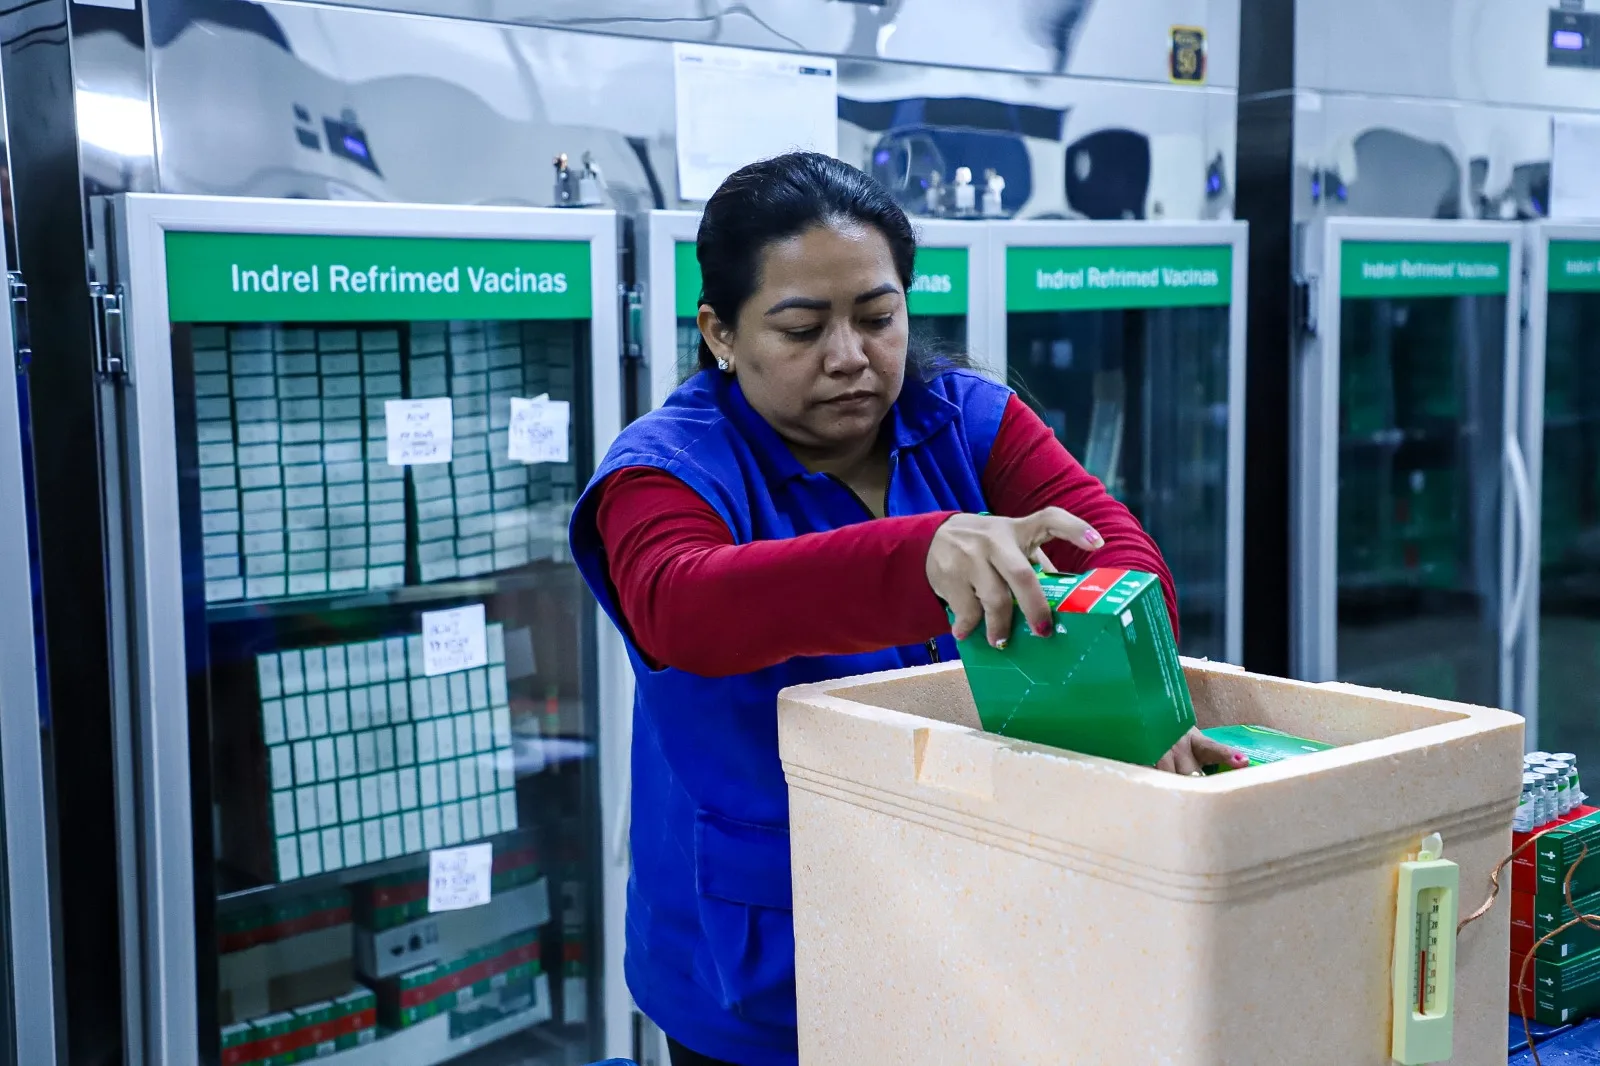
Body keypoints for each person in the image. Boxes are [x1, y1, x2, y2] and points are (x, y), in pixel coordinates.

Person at [569, 152, 1236, 1066]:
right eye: (802, 328)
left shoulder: (964, 420)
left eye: (878, 318)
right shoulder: (665, 470)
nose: (850, 358)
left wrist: (1138, 716)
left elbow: (1115, 556)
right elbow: (683, 605)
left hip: (981, 908)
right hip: (772, 945)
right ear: (720, 332)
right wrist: (918, 555)